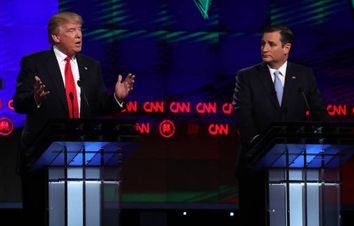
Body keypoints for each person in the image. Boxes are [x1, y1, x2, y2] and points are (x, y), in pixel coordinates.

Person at [13, 11, 135, 225]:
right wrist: (36, 98)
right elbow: (20, 103)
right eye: (71, 30)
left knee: (77, 218)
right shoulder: (34, 63)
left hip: (81, 159)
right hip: (40, 158)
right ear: (56, 37)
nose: (79, 35)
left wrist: (117, 98)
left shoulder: (91, 66)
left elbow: (98, 105)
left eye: (80, 30)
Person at [232, 25, 329, 226]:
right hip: (255, 165)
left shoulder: (304, 75)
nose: (264, 48)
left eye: (271, 44)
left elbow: (319, 112)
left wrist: (324, 139)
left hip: (295, 164)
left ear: (286, 48)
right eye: (262, 43)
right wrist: (260, 145)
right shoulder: (247, 76)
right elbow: (242, 114)